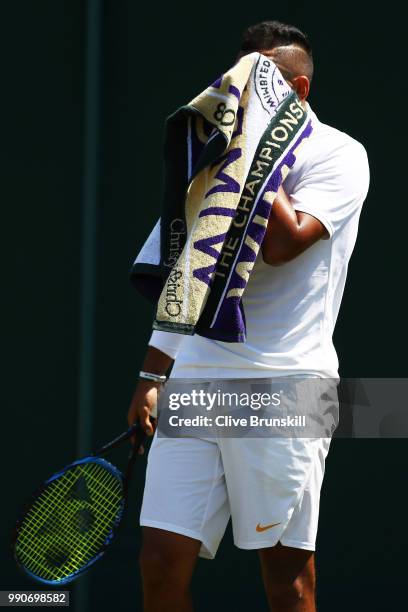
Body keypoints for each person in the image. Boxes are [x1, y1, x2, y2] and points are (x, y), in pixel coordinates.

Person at [128, 20, 370, 612]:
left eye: (269, 82)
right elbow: (188, 271)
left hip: (287, 388)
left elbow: (285, 242)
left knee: (287, 582)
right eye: (247, 80)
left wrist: (251, 154)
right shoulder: (212, 160)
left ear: (301, 89)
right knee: (159, 566)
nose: (250, 94)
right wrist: (152, 375)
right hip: (198, 381)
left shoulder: (341, 154)